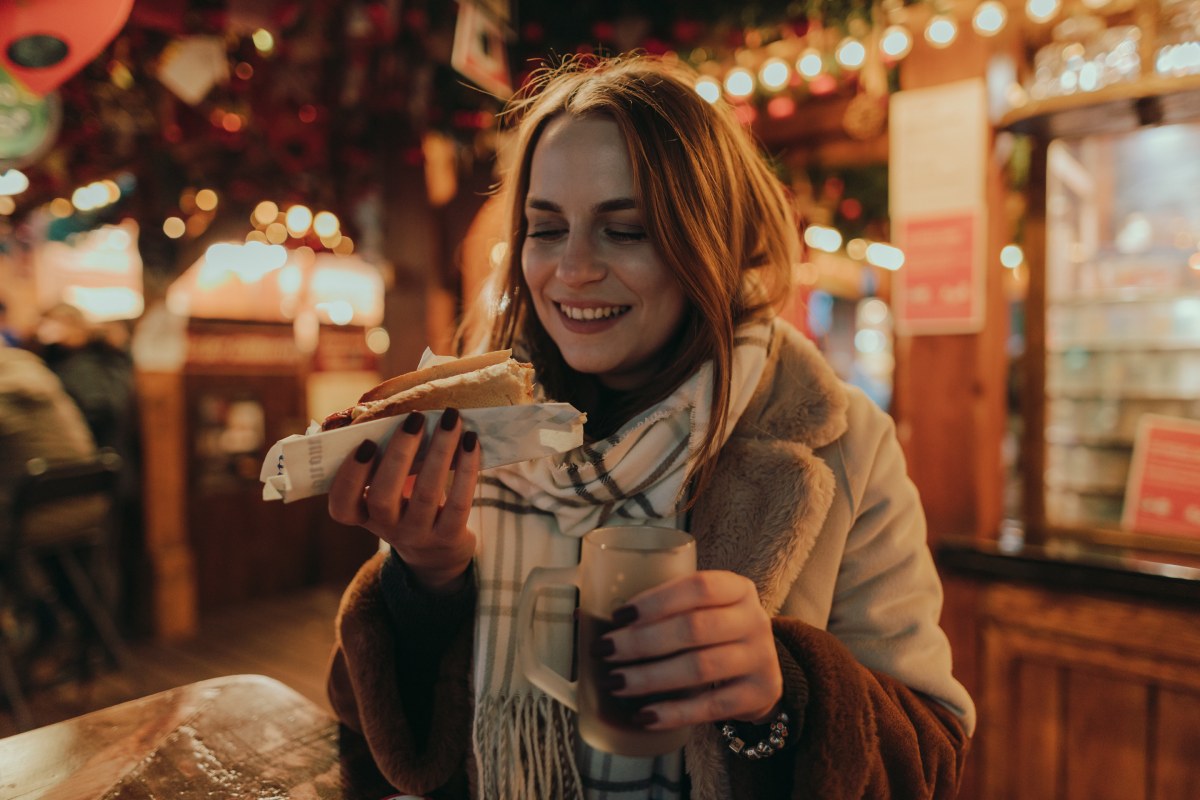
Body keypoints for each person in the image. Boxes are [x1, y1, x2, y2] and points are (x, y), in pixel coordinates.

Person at [325, 54, 974, 799]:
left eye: (624, 230)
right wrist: (424, 582)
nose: (570, 270)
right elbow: (374, 739)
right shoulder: (479, 428)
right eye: (546, 229)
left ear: (713, 243)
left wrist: (784, 692)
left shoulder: (840, 439)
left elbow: (932, 755)